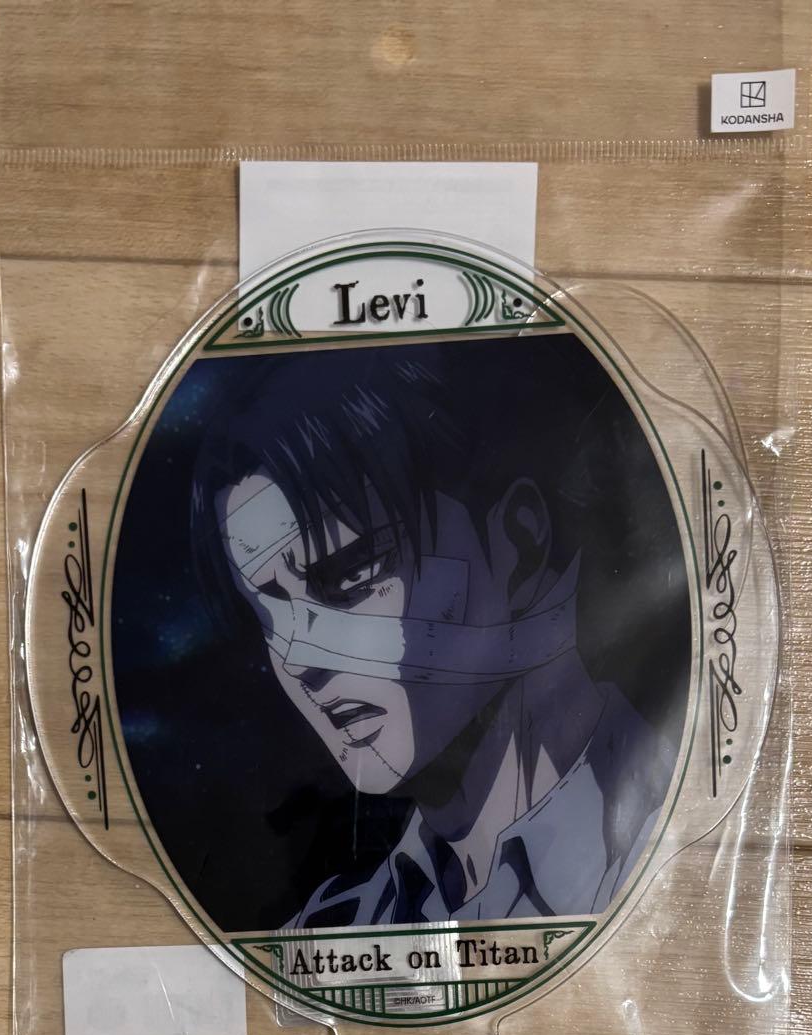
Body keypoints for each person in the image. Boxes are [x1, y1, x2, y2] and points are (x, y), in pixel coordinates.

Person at [190, 334, 679, 929]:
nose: (299, 659)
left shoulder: (686, 849)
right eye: (270, 611)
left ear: (520, 543)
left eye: (355, 574)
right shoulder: (325, 937)